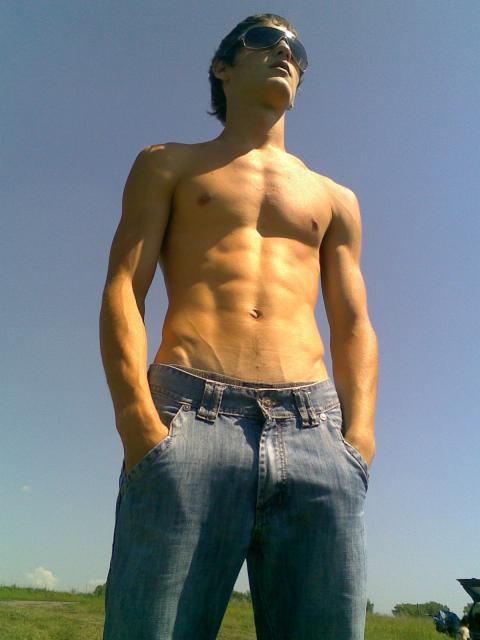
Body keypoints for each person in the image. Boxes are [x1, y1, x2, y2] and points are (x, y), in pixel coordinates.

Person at [99, 12, 378, 640]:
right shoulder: (169, 164)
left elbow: (354, 323)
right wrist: (137, 419)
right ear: (222, 67)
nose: (285, 51)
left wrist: (359, 439)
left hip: (315, 430)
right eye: (265, 39)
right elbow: (124, 286)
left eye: (295, 47)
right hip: (188, 416)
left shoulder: (336, 198)